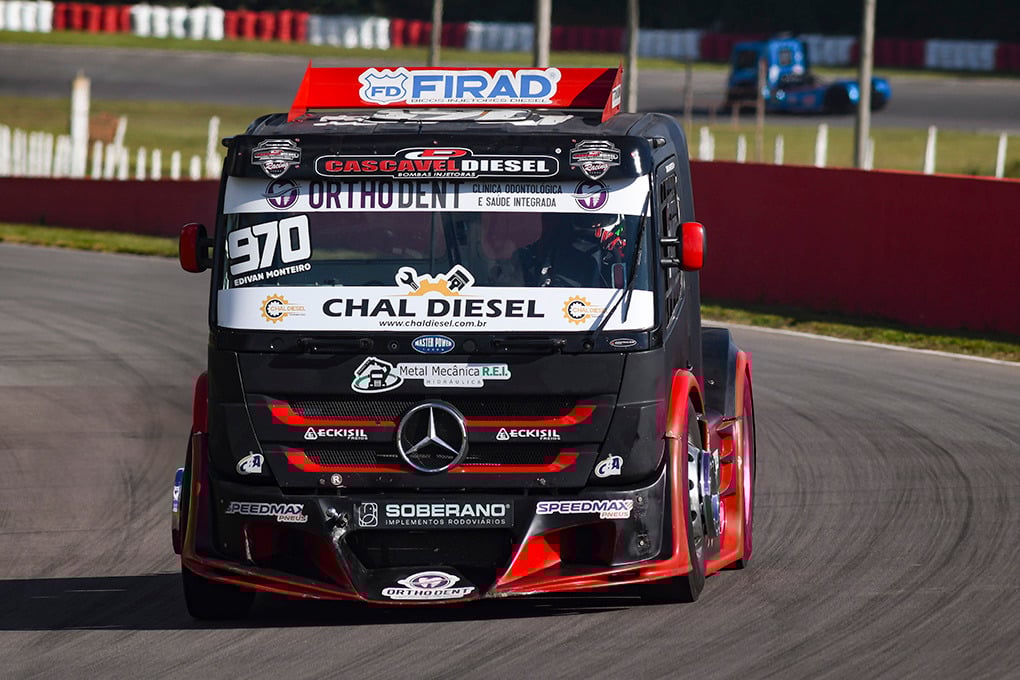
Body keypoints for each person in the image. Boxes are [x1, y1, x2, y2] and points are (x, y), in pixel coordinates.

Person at [514, 213, 624, 288]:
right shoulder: (554, 242)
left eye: (601, 218)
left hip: (604, 307)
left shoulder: (623, 244)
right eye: (588, 218)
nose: (595, 224)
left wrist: (617, 249)